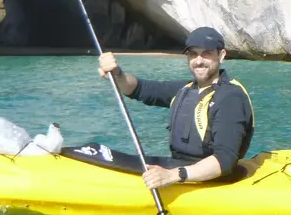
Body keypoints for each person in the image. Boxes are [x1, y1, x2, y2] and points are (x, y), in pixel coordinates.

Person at [97, 26, 254, 189]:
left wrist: (173, 175)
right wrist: (118, 74)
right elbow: (139, 89)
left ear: (221, 56)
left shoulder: (231, 98)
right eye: (193, 54)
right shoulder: (185, 89)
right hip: (179, 168)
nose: (198, 61)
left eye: (206, 53)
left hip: (213, 180)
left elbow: (224, 160)